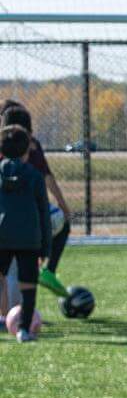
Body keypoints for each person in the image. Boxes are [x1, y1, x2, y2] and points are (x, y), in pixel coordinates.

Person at [0, 100, 72, 307]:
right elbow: (46, 180)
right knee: (19, 270)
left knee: (9, 271)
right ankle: (20, 316)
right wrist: (65, 209)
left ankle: (10, 317)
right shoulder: (32, 157)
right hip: (27, 226)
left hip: (6, 223)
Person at [0, 125, 44, 340]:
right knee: (28, 285)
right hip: (29, 238)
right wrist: (46, 247)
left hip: (2, 235)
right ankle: (24, 329)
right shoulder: (35, 176)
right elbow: (43, 212)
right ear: (27, 151)